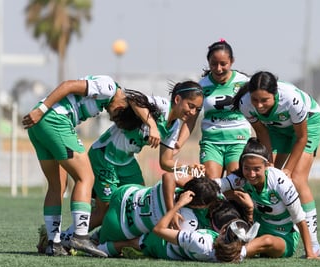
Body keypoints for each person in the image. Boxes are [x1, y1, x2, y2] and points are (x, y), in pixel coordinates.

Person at [22, 75, 160, 257]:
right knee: (85, 178)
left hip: (40, 126)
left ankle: (53, 244)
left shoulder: (107, 99)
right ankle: (80, 236)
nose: (113, 118)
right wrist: (41, 109)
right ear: (121, 105)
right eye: (117, 116)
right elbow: (68, 85)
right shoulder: (109, 87)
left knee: (58, 186)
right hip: (55, 120)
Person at [60, 80, 204, 241]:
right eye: (190, 106)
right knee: (105, 212)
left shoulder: (174, 127)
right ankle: (65, 238)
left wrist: (187, 168)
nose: (192, 112)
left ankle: (97, 239)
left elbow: (165, 162)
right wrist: (153, 126)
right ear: (177, 100)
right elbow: (133, 99)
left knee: (138, 204)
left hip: (127, 162)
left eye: (196, 109)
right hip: (105, 156)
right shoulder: (162, 105)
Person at [232, 71, 320, 255]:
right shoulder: (246, 103)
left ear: (274, 94)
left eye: (264, 100)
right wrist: (269, 165)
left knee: (296, 179)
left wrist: (288, 170)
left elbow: (301, 137)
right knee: (269, 176)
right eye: (255, 100)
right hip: (275, 128)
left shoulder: (290, 99)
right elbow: (263, 133)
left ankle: (313, 245)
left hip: (307, 126)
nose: (259, 105)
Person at [214, 137, 320, 262]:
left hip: (284, 236)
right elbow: (215, 185)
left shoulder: (280, 182)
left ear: (266, 166)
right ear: (242, 165)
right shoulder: (241, 178)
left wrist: (310, 253)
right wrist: (192, 176)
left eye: (256, 169)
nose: (251, 174)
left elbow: (300, 219)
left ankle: (233, 255)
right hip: (257, 228)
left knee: (267, 240)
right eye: (247, 168)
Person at [96, 190, 254, 260]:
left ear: (224, 230)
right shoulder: (236, 254)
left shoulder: (202, 243)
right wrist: (250, 211)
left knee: (135, 242)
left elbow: (159, 229)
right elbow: (269, 241)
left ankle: (98, 249)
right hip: (180, 243)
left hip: (164, 246)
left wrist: (179, 204)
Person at [95, 176, 221, 257]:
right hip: (120, 224)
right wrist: (174, 209)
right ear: (199, 205)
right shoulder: (186, 219)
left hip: (125, 193)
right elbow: (164, 234)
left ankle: (83, 231)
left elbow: (168, 175)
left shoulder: (175, 187)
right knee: (98, 248)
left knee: (97, 216)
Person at [198, 39, 251, 179]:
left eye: (223, 64)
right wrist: (178, 143)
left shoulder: (245, 82)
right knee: (211, 185)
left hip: (238, 141)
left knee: (236, 184)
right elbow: (190, 119)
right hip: (211, 142)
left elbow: (257, 113)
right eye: (213, 64)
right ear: (208, 62)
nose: (218, 68)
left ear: (232, 61)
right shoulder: (201, 85)